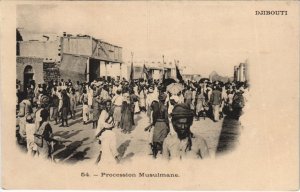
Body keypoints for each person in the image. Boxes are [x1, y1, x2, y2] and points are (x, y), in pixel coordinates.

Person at [149, 93, 170, 158]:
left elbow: (153, 116)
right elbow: (166, 118)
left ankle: (154, 154)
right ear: (164, 100)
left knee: (155, 138)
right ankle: (163, 151)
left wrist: (154, 123)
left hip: (157, 123)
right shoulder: (164, 107)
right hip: (163, 123)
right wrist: (168, 125)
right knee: (163, 138)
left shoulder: (155, 106)